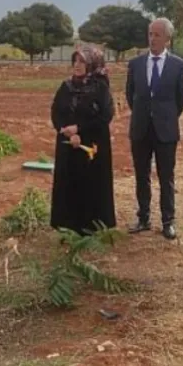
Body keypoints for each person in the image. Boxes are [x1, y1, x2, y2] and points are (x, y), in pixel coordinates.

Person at [126, 17, 183, 239]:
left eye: (157, 35)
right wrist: (144, 114)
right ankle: (143, 217)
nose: (152, 39)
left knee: (166, 177)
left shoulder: (179, 66)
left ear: (168, 40)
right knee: (141, 175)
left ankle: (168, 221)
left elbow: (181, 98)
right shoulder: (135, 64)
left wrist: (165, 116)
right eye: (150, 34)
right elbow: (130, 95)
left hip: (165, 130)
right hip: (140, 128)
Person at [50, 46, 116, 235]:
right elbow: (56, 112)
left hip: (92, 146)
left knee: (91, 186)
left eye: (82, 62)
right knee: (69, 185)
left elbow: (105, 116)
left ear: (92, 64)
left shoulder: (100, 87)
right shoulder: (66, 86)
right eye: (75, 61)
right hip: (68, 145)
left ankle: (91, 228)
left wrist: (79, 130)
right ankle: (68, 227)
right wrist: (67, 132)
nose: (77, 65)